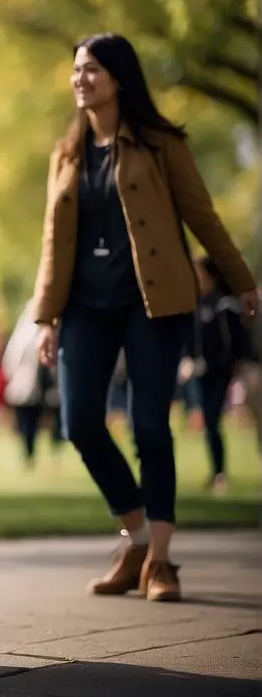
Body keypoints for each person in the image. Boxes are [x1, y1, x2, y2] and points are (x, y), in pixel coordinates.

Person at [31, 33, 259, 603]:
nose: (81, 79)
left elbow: (200, 216)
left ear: (119, 78)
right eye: (77, 70)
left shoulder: (159, 143)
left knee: (149, 427)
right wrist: (46, 317)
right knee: (80, 422)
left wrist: (241, 280)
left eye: (93, 70)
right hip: (86, 306)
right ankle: (134, 538)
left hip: (153, 303)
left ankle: (160, 561)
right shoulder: (67, 152)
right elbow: (54, 241)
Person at [180, 256, 257, 495]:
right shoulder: (196, 303)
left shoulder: (225, 305)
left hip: (220, 372)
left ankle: (219, 473)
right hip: (200, 372)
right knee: (208, 421)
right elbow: (190, 338)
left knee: (212, 419)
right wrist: (188, 360)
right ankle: (216, 472)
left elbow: (236, 341)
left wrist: (237, 364)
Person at [2, 301, 53, 468]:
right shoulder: (27, 334)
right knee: (26, 421)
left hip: (31, 386)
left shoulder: (24, 334)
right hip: (25, 385)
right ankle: (28, 452)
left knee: (29, 421)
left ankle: (29, 452)